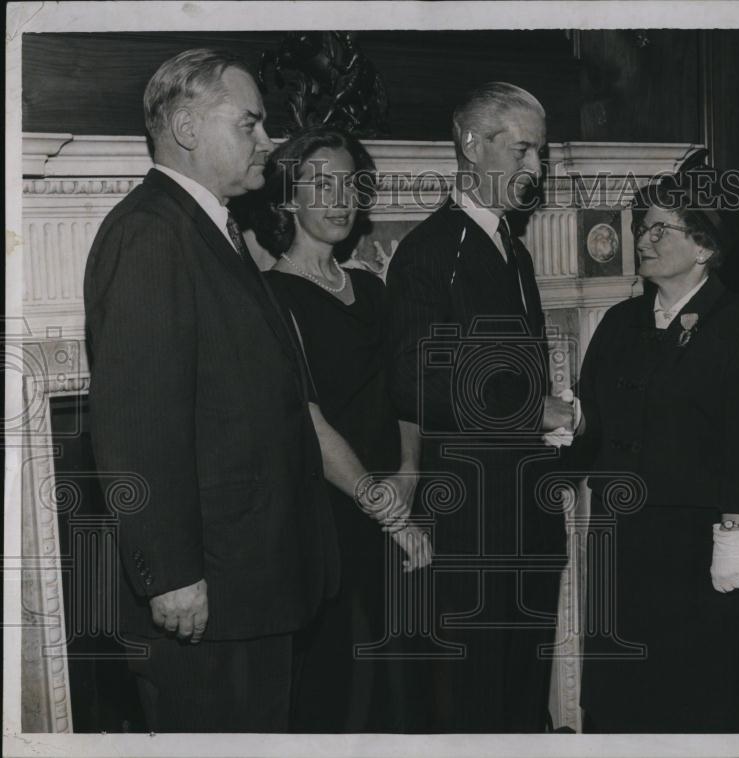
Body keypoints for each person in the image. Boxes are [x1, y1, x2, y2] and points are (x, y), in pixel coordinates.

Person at [83, 49, 338, 732]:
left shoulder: (213, 230)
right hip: (206, 594)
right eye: (250, 124)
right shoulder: (149, 235)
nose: (268, 141)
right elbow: (136, 419)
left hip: (249, 583)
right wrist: (168, 573)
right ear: (189, 128)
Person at [385, 82, 574, 732]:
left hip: (527, 522)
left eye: (541, 154)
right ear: (470, 145)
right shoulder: (430, 252)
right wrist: (534, 411)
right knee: (472, 707)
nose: (536, 168)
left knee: (524, 700)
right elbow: (418, 379)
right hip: (472, 529)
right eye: (522, 149)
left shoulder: (513, 252)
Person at [568, 173, 739, 733]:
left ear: (705, 247)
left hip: (695, 549)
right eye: (643, 227)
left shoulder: (738, 325)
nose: (644, 239)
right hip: (621, 543)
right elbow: (590, 424)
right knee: (621, 694)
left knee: (692, 694)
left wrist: (732, 545)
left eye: (661, 229)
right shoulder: (619, 322)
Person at [249, 125, 431, 732]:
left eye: (349, 183)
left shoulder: (374, 292)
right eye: (320, 183)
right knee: (346, 694)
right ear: (287, 198)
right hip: (333, 523)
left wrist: (408, 474)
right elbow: (310, 422)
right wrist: (393, 513)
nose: (338, 197)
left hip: (395, 503)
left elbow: (406, 395)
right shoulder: (272, 297)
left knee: (405, 689)